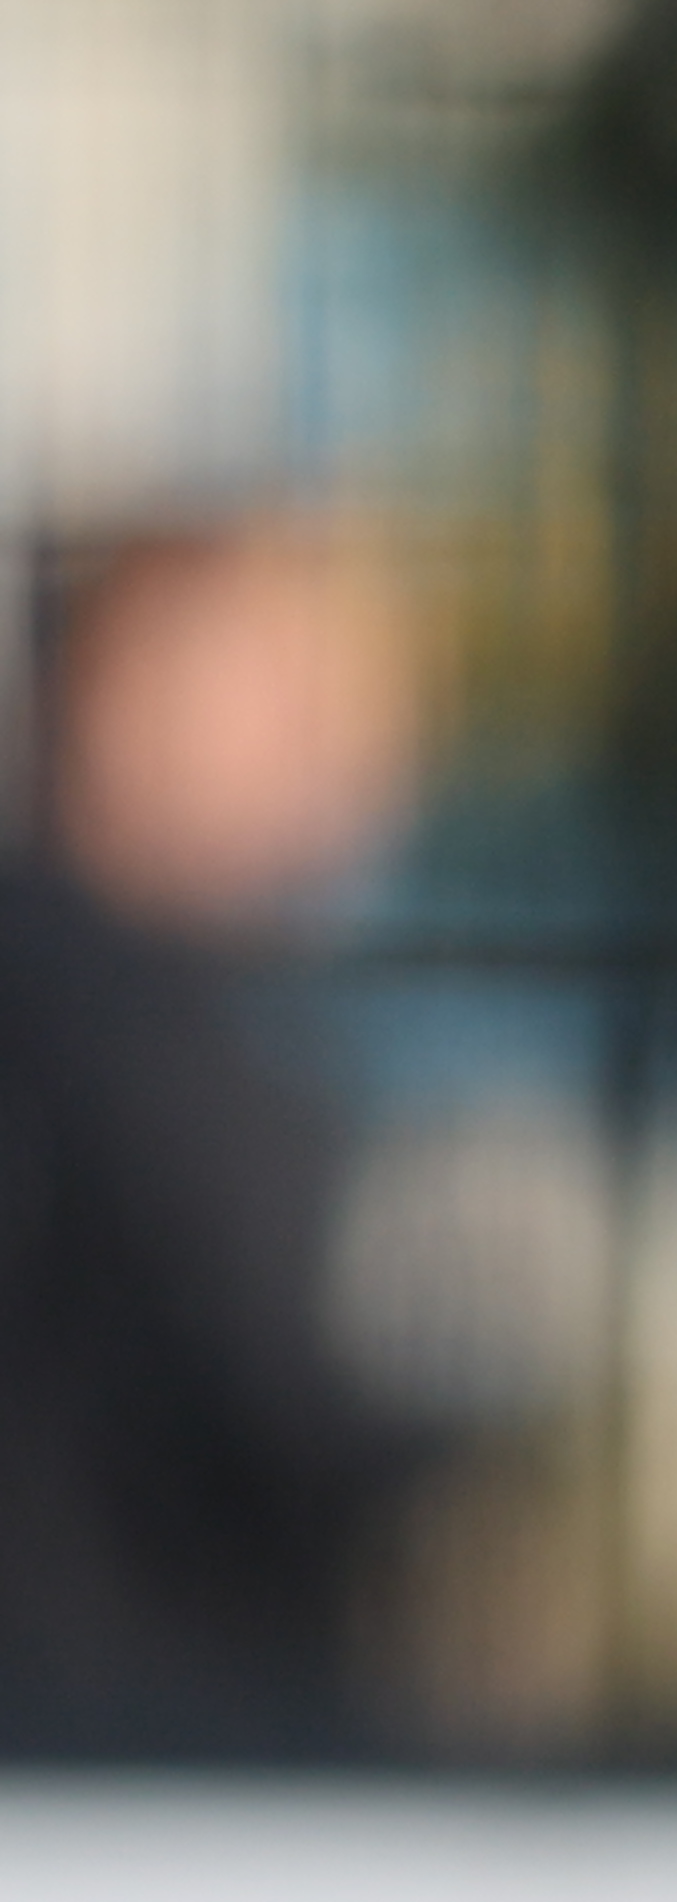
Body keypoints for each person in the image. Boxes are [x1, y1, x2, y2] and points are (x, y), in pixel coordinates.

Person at [0, 509, 427, 1750]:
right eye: (285, 695)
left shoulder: (194, 1029)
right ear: (118, 698)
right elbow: (265, 1427)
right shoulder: (109, 1034)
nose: (349, 752)